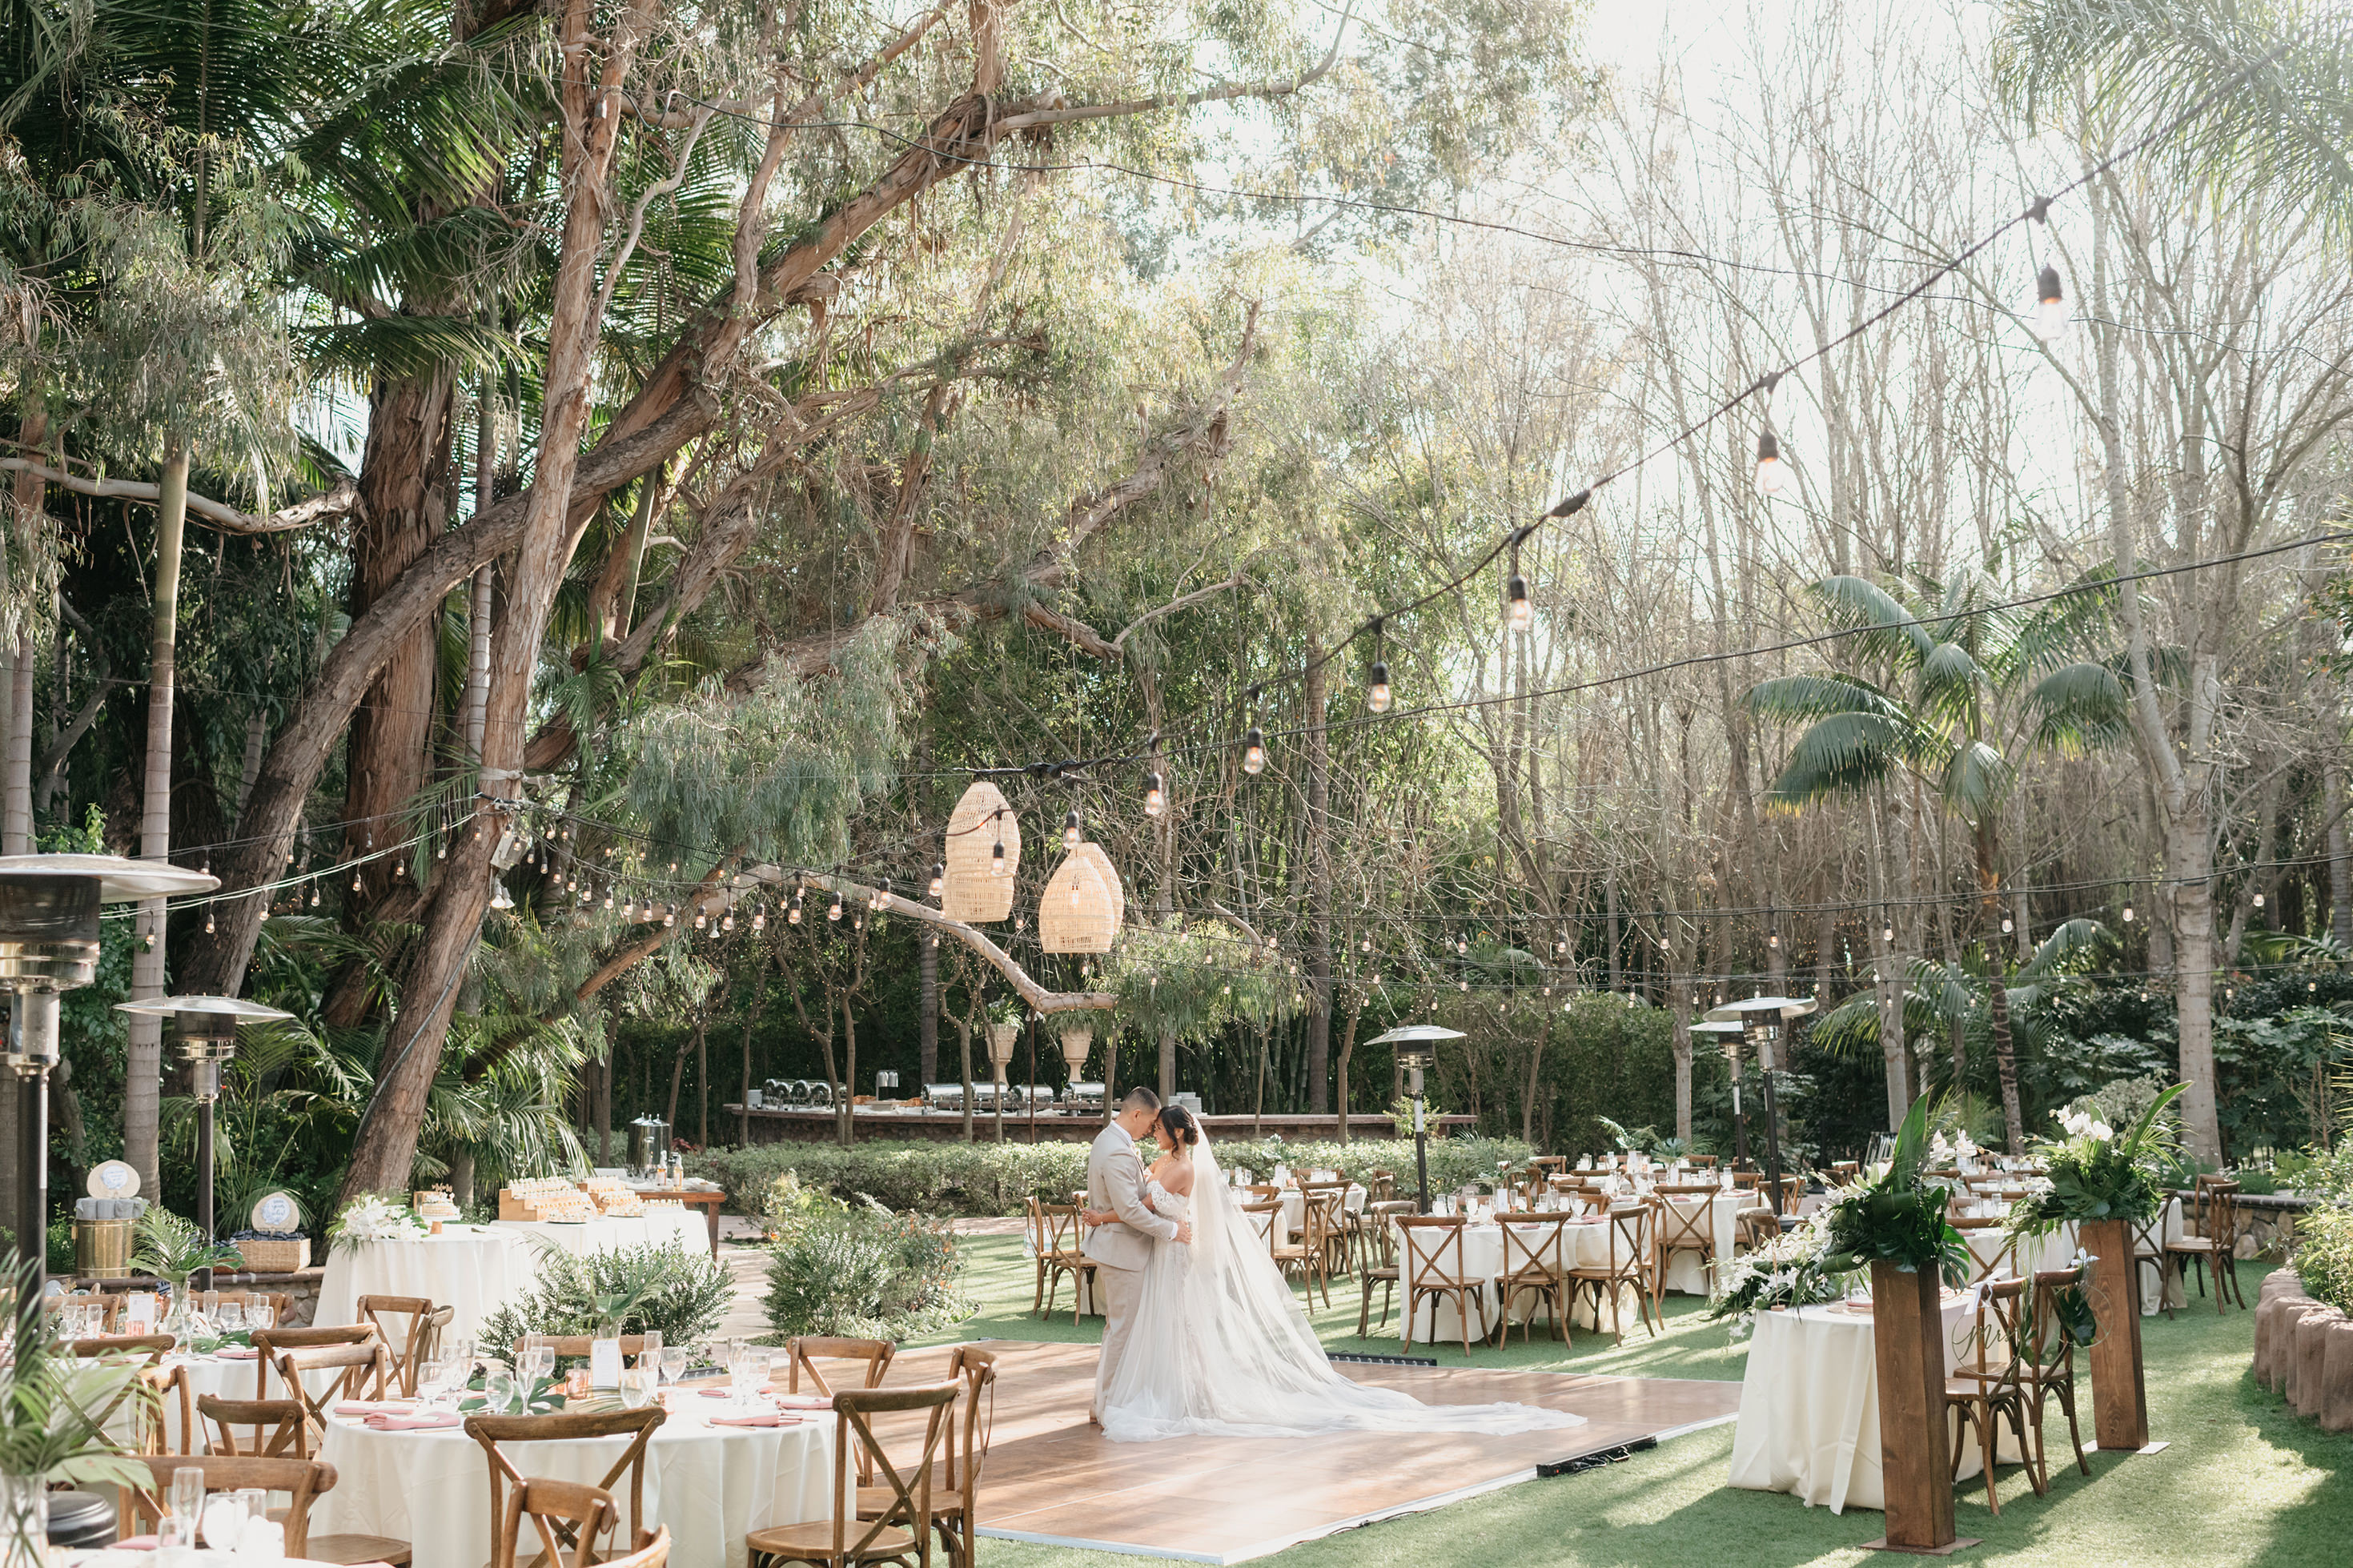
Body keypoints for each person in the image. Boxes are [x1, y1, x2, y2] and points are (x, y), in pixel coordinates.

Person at [1082, 1102, 1584, 1442]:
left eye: (1158, 1128)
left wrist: (1130, 1216)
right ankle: (1183, 1392)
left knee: (1182, 1326)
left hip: (1173, 1252)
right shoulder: (1165, 1161)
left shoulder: (1182, 1167)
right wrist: (1106, 1215)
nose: (1153, 1134)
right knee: (1173, 1327)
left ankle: (1192, 1396)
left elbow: (1149, 1206)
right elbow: (1139, 1204)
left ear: (1171, 1131)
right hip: (1165, 1253)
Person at [1083, 1086, 1194, 1425]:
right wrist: (1173, 1231)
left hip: (1126, 1248)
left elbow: (1140, 1197)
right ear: (1136, 1115)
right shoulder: (1116, 1150)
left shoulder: (1113, 1141)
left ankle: (1107, 1400)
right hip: (1122, 1251)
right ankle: (1107, 1407)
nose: (1150, 1130)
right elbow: (1131, 1209)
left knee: (1120, 1329)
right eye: (1150, 1123)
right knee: (1122, 1331)